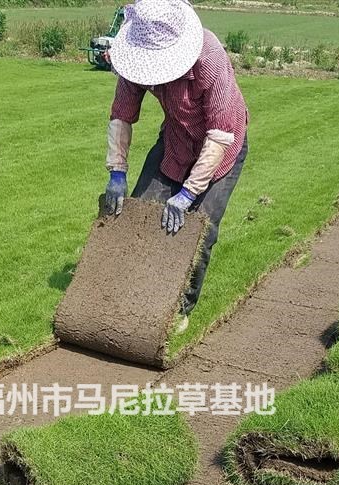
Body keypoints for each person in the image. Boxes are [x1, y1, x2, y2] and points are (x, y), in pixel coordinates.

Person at [103, 0, 249, 331]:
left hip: (221, 147)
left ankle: (179, 309)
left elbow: (219, 136)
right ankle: (127, 294)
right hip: (175, 139)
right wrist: (117, 172)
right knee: (139, 210)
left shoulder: (209, 59)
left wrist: (187, 194)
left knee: (200, 226)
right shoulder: (135, 58)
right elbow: (121, 115)